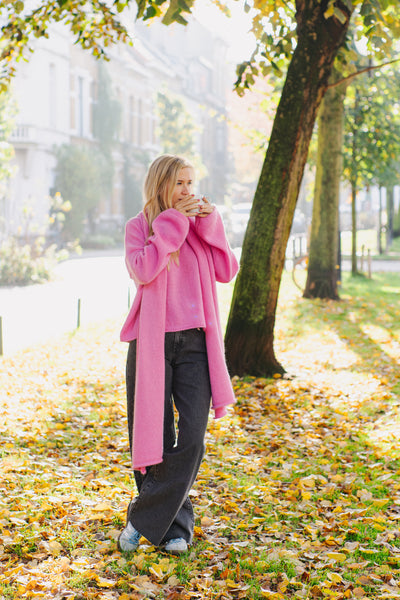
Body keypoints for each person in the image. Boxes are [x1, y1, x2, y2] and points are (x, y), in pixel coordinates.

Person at [118, 154, 239, 555]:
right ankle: (174, 529)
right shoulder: (140, 226)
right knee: (153, 435)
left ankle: (141, 519)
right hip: (152, 343)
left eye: (192, 183)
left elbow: (226, 269)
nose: (188, 192)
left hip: (195, 344)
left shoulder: (199, 226)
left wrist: (209, 223)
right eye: (180, 184)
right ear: (162, 186)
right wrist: (173, 224)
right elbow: (144, 269)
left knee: (192, 438)